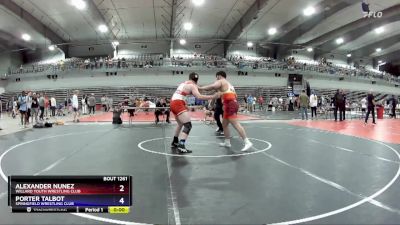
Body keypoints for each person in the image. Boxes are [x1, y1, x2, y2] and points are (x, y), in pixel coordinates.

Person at [199, 71, 253, 152]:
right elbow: (234, 95)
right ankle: (227, 142)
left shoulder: (221, 81)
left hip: (230, 105)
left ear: (219, 76)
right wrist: (225, 102)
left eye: (216, 77)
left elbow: (213, 86)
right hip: (230, 104)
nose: (216, 79)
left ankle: (247, 142)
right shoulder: (229, 84)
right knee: (224, 124)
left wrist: (200, 88)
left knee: (235, 124)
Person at [170, 72, 219, 153]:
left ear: (190, 78)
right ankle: (181, 146)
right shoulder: (192, 86)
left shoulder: (184, 83)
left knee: (180, 124)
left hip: (173, 102)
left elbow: (199, 88)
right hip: (178, 103)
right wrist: (213, 96)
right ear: (197, 80)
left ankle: (175, 141)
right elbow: (199, 96)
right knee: (188, 125)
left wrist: (212, 89)